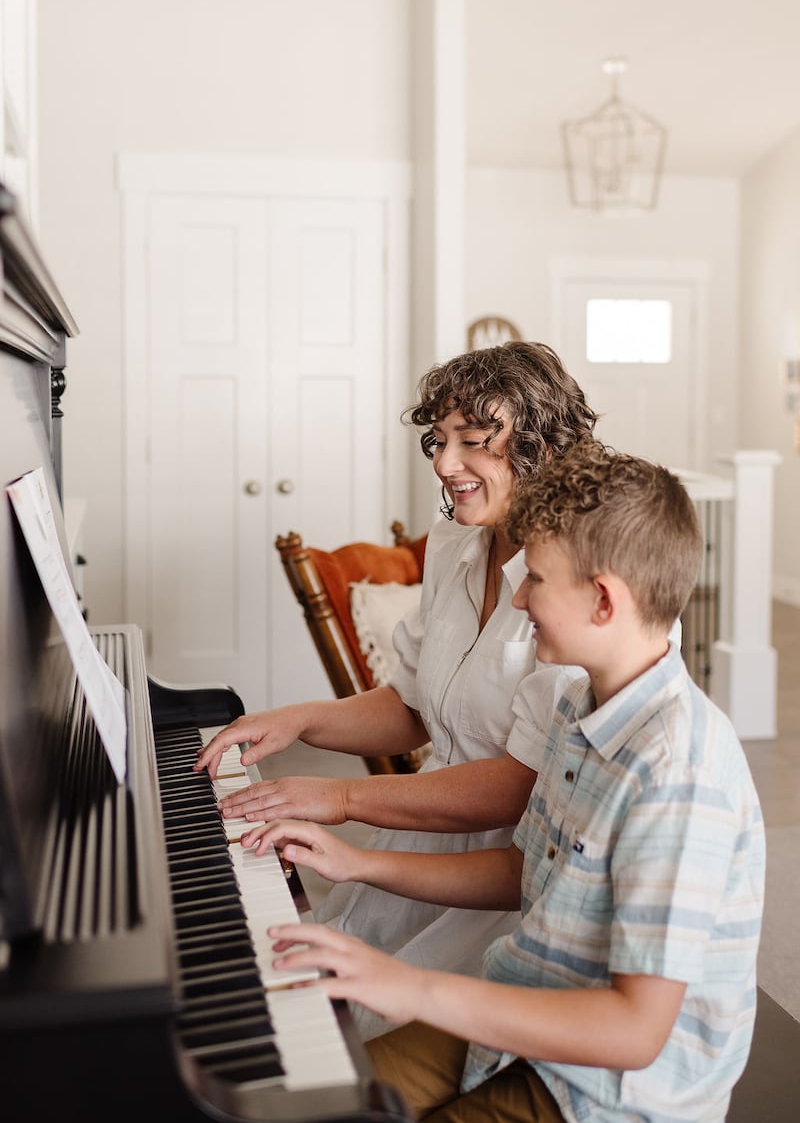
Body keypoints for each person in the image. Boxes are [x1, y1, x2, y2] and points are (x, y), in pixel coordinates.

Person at [248, 441, 765, 1123]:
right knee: (318, 1098)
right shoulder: (578, 705)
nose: (518, 597)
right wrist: (358, 862)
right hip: (528, 995)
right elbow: (524, 870)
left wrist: (414, 988)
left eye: (538, 580)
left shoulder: (677, 773)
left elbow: (635, 1033)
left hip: (605, 1092)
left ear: (604, 602)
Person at [195, 341, 597, 1038]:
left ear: (545, 446)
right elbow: (412, 705)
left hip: (509, 880)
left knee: (352, 1038)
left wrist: (340, 797)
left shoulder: (574, 580)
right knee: (303, 999)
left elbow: (520, 785)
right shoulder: (455, 543)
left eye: (473, 441)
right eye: (439, 442)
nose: (445, 465)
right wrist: (299, 721)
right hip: (423, 846)